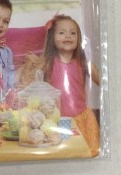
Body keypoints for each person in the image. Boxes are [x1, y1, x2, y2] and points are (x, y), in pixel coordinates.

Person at [39, 14, 100, 156]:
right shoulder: (47, 62)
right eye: (62, 33)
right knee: (61, 154)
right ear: (52, 38)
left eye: (73, 33)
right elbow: (31, 80)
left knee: (89, 153)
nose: (68, 36)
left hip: (83, 117)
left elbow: (103, 81)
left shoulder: (84, 62)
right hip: (56, 119)